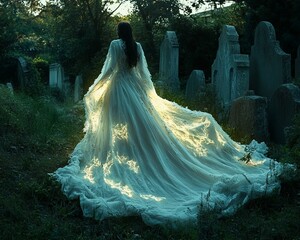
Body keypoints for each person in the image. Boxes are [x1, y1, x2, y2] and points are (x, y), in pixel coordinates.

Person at [53, 22, 295, 227]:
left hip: (119, 91)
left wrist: (95, 89)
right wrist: (148, 96)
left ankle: (127, 155)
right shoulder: (136, 47)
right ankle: (137, 152)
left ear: (118, 33)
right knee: (141, 127)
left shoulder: (116, 46)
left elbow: (109, 72)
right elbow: (141, 75)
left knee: (119, 127)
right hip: (133, 90)